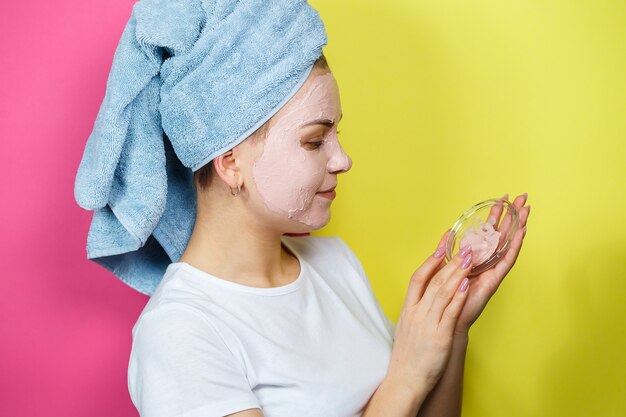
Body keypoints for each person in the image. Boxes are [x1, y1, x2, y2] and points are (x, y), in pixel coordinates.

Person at [74, 1, 530, 416]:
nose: (343, 159)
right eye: (314, 141)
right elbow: (403, 394)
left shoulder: (337, 265)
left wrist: (451, 333)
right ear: (231, 162)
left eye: (336, 136)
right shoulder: (181, 333)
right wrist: (407, 376)